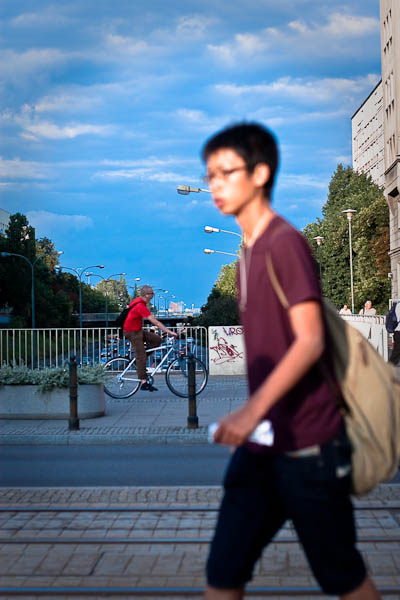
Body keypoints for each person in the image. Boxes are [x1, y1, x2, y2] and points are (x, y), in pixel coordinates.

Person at [201, 122, 380, 599]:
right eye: (210, 174)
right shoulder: (247, 255)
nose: (215, 184)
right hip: (262, 449)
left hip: (308, 448)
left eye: (226, 172)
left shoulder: (284, 243)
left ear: (260, 173)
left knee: (343, 576)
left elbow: (310, 341)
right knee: (223, 572)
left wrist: (250, 411)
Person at [123, 285, 177, 391]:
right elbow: (155, 322)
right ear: (146, 295)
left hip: (137, 330)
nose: (153, 295)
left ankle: (139, 359)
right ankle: (143, 382)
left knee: (157, 340)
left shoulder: (138, 301)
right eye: (152, 293)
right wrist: (169, 331)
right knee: (141, 356)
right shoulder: (140, 306)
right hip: (132, 332)